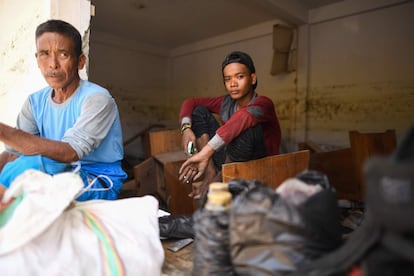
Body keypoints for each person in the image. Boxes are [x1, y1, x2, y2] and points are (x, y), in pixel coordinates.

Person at [0, 19, 127, 201]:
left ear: (80, 61)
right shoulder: (35, 102)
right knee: (17, 163)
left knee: (34, 165)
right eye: (45, 54)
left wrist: (3, 131)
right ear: (37, 59)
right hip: (58, 169)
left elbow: (70, 153)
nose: (53, 64)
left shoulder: (97, 99)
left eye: (63, 54)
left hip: (98, 179)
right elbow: (14, 151)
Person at [178, 51, 281, 199]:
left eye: (240, 77)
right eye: (227, 79)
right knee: (199, 111)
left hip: (257, 164)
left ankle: (218, 179)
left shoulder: (264, 104)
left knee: (244, 126)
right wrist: (186, 129)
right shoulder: (226, 103)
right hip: (229, 159)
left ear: (252, 79)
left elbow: (243, 118)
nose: (233, 84)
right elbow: (191, 102)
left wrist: (206, 152)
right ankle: (211, 173)